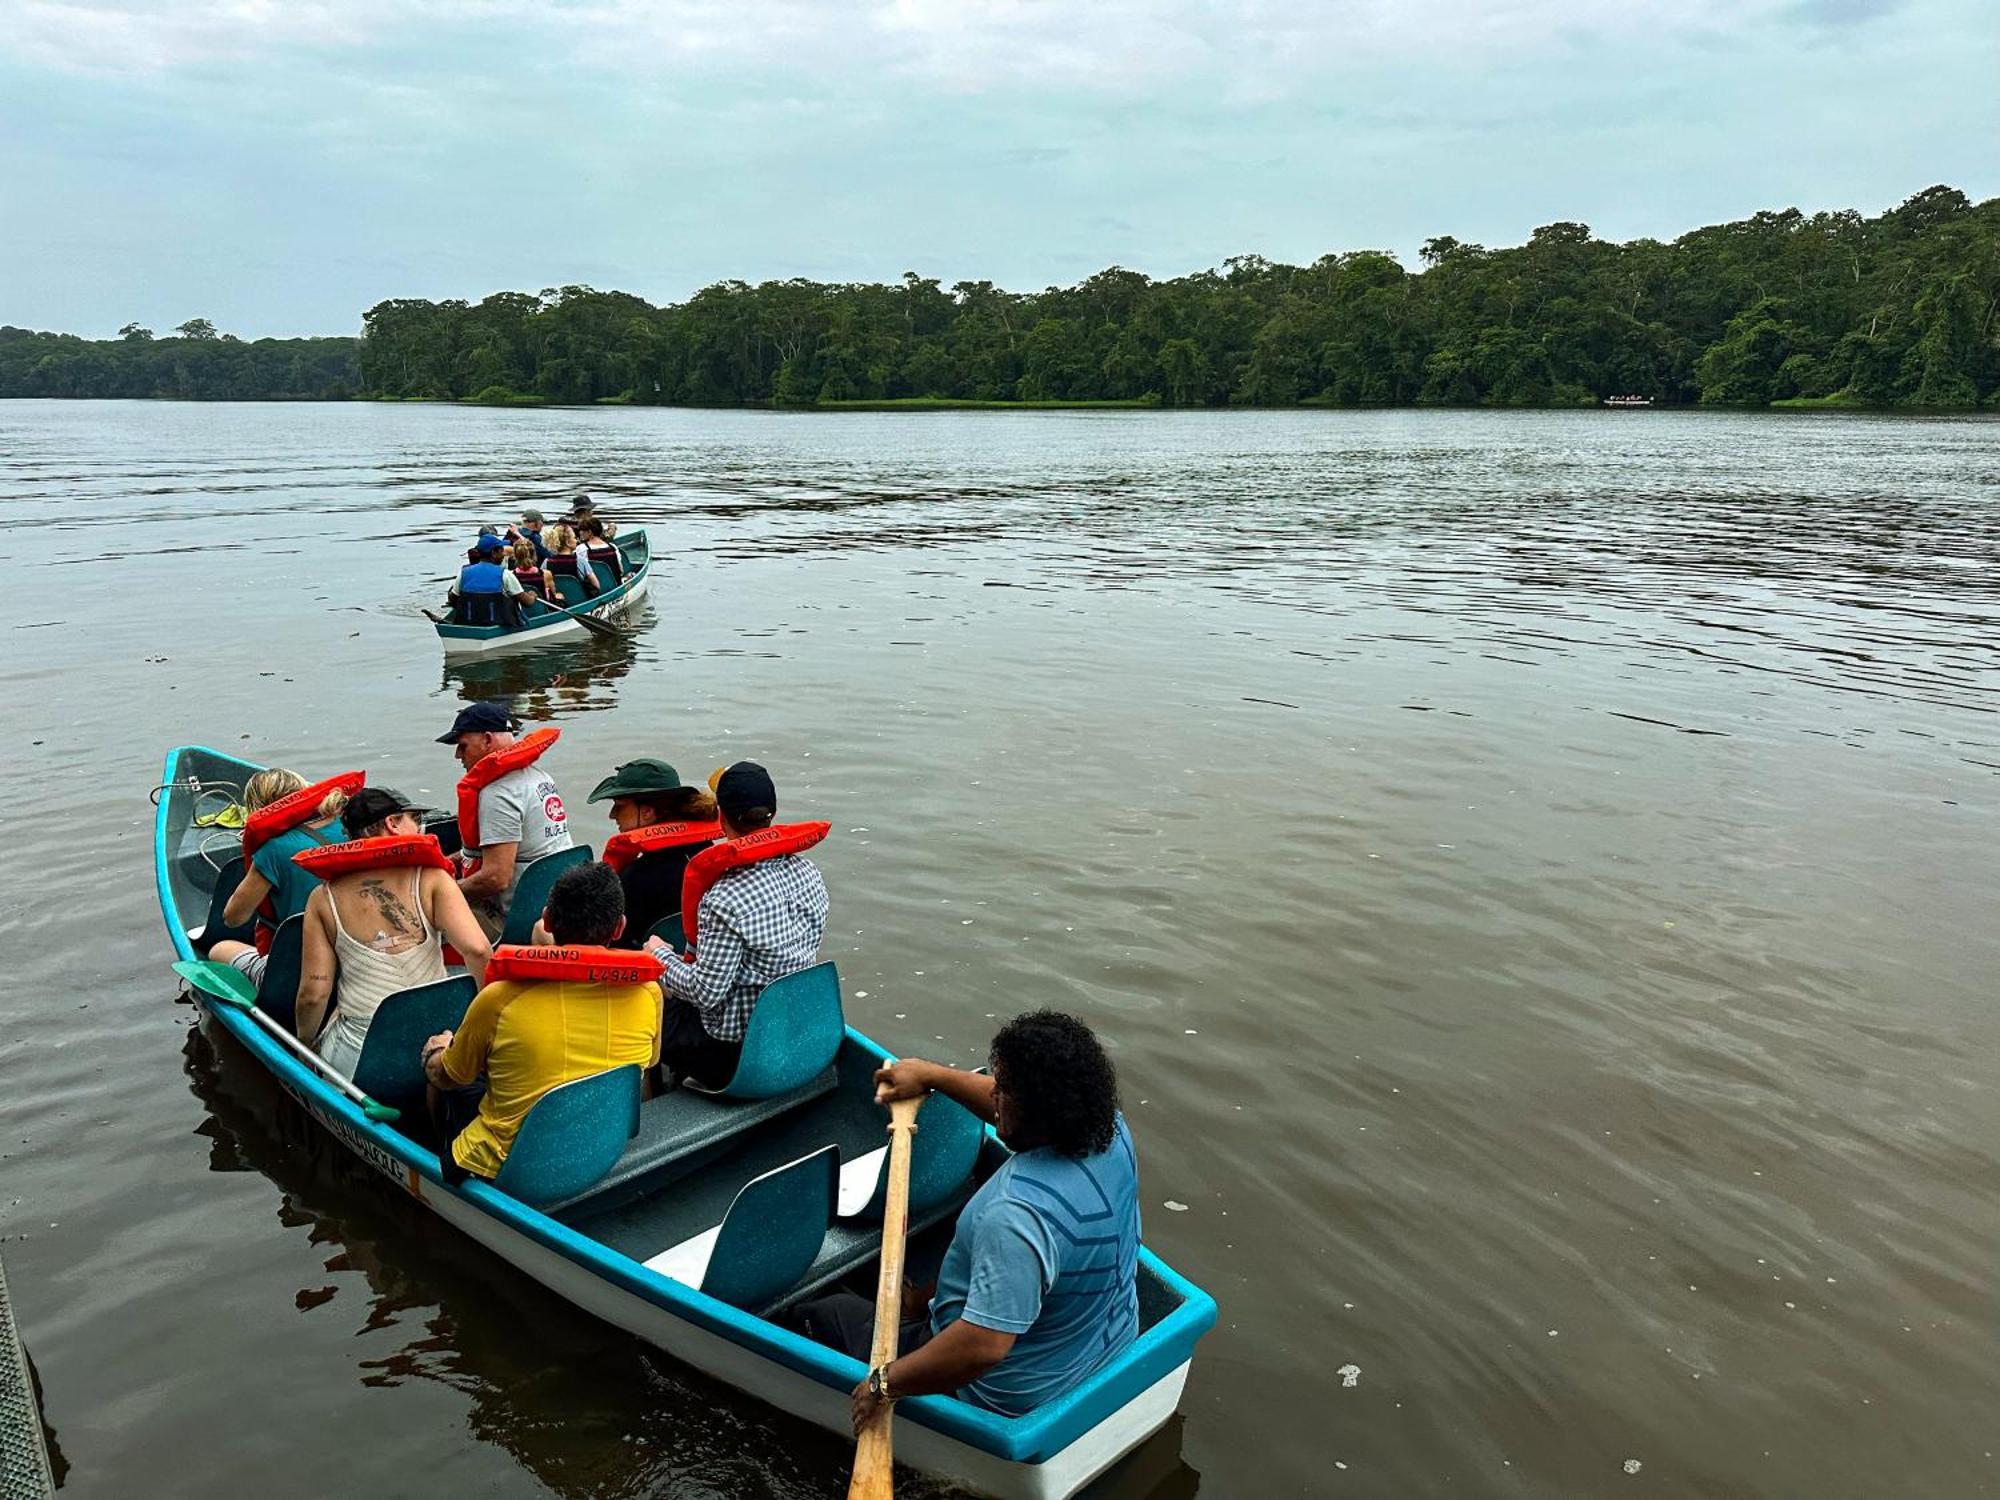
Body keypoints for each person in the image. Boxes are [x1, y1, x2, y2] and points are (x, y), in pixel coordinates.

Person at [797, 1011, 1141, 1428]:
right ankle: (916, 1301)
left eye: (1004, 1091)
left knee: (824, 1311)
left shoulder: (1016, 1215)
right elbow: (1010, 1108)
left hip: (1008, 1393)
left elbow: (982, 1347)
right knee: (976, 1263)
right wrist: (932, 1075)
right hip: (1102, 1346)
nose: (993, 1095)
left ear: (1036, 1111)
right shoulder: (1111, 1131)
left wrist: (884, 1385)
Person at [421, 861, 662, 1181]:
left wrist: (434, 1053)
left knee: (440, 1070)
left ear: (546, 921)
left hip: (506, 1167)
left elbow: (450, 1076)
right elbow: (650, 1062)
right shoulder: (647, 992)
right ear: (619, 928)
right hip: (600, 1144)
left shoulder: (498, 999)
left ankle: (439, 1162)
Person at [644, 761, 827, 1087]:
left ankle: (664, 1094)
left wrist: (658, 956)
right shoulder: (808, 872)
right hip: (790, 1030)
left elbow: (705, 993)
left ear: (721, 817)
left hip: (734, 1055)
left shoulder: (723, 898)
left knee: (656, 996)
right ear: (771, 812)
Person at [293, 787, 492, 1074]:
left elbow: (313, 993)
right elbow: (478, 950)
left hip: (362, 1054)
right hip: (438, 1040)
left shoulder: (322, 898)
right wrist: (484, 1030)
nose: (419, 826)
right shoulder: (434, 879)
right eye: (415, 818)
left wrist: (304, 1044)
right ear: (393, 823)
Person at [439, 700, 574, 939]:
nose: (457, 755)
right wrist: (446, 862)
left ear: (488, 740)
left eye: (462, 746)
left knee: (424, 916)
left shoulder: (499, 793)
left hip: (514, 921)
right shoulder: (538, 777)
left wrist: (437, 894)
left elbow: (495, 878)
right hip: (556, 905)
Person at [208, 768, 349, 985]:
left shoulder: (273, 851)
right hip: (354, 955)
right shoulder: (349, 824)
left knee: (219, 949)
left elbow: (233, 918)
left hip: (299, 969)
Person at [589, 758, 718, 948]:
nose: (612, 814)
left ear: (648, 812)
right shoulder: (707, 853)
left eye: (620, 806)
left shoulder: (636, 878)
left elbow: (613, 941)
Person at [450, 532, 527, 626]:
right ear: (494, 553)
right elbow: (527, 602)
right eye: (501, 550)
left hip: (468, 623)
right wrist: (532, 596)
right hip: (498, 623)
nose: (503, 554)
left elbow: (452, 600)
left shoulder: (464, 573)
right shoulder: (505, 574)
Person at [542, 522, 601, 598]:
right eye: (574, 538)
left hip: (559, 602)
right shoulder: (580, 560)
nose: (576, 540)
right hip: (580, 599)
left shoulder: (546, 562)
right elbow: (596, 585)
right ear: (568, 542)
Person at [508, 538, 558, 607]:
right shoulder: (546, 574)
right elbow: (553, 596)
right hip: (542, 613)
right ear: (534, 555)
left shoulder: (510, 576)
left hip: (521, 614)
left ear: (515, 556)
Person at [575, 515, 623, 584]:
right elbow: (620, 570)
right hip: (615, 585)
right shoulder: (613, 547)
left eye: (582, 530)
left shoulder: (581, 549)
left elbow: (580, 573)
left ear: (589, 532)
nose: (580, 533)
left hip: (595, 590)